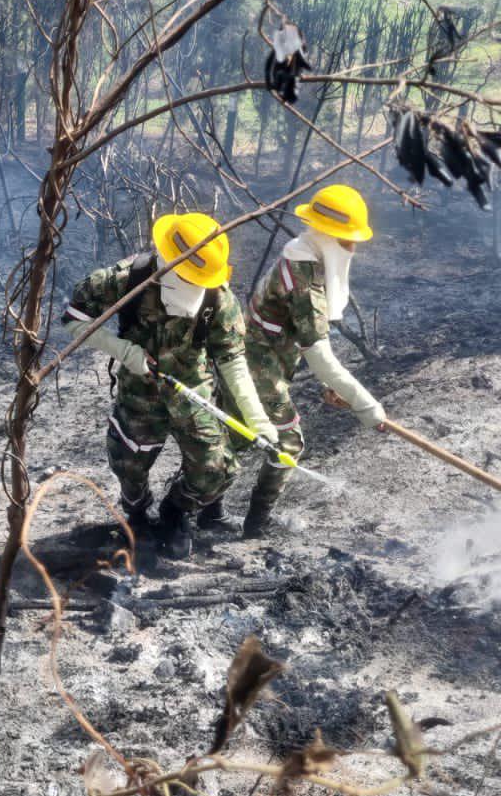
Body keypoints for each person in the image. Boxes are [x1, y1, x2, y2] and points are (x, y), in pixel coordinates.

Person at [65, 213, 278, 558]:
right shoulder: (126, 279)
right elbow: (74, 320)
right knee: (129, 463)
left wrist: (258, 419)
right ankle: (136, 514)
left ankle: (176, 512)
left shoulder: (217, 298)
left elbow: (232, 360)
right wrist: (125, 351)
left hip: (192, 390)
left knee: (216, 467)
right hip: (140, 391)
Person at [238, 184, 384, 538]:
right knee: (288, 443)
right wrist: (368, 407)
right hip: (256, 360)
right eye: (348, 241)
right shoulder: (302, 276)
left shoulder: (307, 258)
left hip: (272, 357)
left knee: (235, 437)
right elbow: (318, 354)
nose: (352, 249)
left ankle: (203, 512)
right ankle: (255, 524)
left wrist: (329, 385)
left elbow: (305, 335)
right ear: (329, 236)